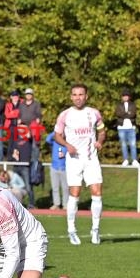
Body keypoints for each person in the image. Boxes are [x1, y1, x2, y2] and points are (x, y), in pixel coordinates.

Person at [54, 84, 106, 245]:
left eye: (81, 94)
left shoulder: (94, 113)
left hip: (91, 159)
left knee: (97, 192)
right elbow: (57, 135)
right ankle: (71, 230)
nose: (78, 97)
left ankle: (95, 229)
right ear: (71, 97)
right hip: (74, 160)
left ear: (86, 96)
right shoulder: (65, 115)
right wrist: (67, 145)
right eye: (75, 94)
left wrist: (100, 141)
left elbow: (102, 131)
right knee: (74, 194)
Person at [11, 125, 35, 208]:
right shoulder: (16, 140)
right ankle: (15, 204)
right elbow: (14, 151)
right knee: (14, 186)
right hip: (17, 166)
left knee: (28, 187)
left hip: (25, 166)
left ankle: (31, 204)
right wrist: (15, 155)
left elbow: (30, 135)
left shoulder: (28, 138)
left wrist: (24, 126)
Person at [115, 88, 139, 167]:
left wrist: (125, 114)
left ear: (129, 97)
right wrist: (127, 113)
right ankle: (125, 160)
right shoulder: (119, 105)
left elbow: (133, 114)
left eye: (127, 96)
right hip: (121, 127)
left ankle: (134, 160)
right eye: (124, 96)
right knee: (123, 144)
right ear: (122, 97)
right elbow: (118, 114)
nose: (125, 97)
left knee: (133, 144)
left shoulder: (133, 105)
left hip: (131, 127)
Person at [18, 87, 42, 162]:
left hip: (33, 126)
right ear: (25, 95)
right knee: (24, 144)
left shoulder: (36, 104)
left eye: (30, 94)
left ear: (32, 95)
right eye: (27, 94)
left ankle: (35, 161)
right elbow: (20, 114)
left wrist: (38, 118)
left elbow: (38, 114)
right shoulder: (22, 104)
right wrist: (19, 120)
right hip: (24, 126)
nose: (28, 96)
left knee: (35, 145)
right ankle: (25, 160)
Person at [46, 131, 68, 210]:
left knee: (65, 188)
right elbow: (47, 139)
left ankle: (65, 204)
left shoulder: (67, 144)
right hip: (54, 168)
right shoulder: (54, 143)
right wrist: (55, 131)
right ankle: (56, 204)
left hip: (64, 168)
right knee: (55, 187)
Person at [4, 90, 22, 158]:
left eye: (16, 96)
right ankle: (10, 157)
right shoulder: (8, 105)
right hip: (11, 125)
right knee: (11, 141)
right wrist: (16, 113)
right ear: (11, 97)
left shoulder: (21, 104)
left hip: (20, 125)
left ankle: (18, 156)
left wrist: (12, 112)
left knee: (18, 141)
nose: (15, 97)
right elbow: (7, 115)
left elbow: (22, 113)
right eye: (14, 96)